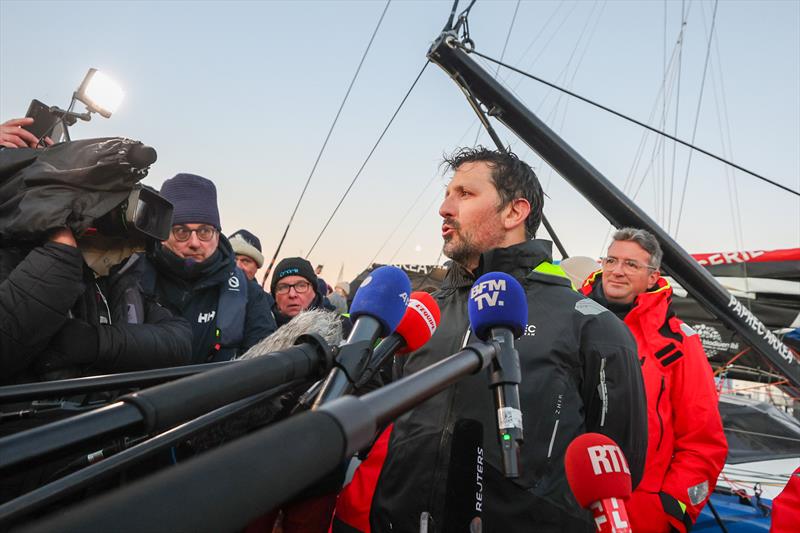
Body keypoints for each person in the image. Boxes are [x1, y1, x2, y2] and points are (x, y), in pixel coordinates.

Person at [362, 147, 648, 532]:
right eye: (447, 194)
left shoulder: (591, 325)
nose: (445, 209)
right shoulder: (423, 312)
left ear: (515, 212)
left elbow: (618, 464)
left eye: (465, 194)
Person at [580, 228, 727, 533]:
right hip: (560, 498)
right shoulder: (568, 320)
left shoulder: (678, 344)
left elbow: (703, 443)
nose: (617, 271)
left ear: (652, 277)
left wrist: (672, 510)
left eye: (631, 264)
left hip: (637, 513)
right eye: (611, 260)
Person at [135, 173, 276, 362]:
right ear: (162, 233)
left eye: (204, 231)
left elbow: (265, 366)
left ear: (217, 234)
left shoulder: (248, 294)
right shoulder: (131, 279)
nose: (194, 243)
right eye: (181, 231)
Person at [270, 257, 338, 327]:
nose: (292, 294)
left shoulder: (341, 328)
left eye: (301, 286)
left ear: (314, 291)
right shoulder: (261, 327)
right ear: (274, 295)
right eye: (283, 287)